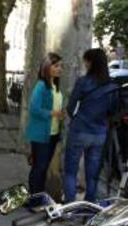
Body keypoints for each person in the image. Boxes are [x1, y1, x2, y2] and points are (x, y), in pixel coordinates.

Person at [63, 48, 118, 203]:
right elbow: (112, 111)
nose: (85, 64)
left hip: (79, 130)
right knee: (92, 174)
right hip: (99, 134)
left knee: (70, 171)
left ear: (91, 62)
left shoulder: (83, 82)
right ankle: (89, 208)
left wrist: (76, 118)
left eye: (86, 60)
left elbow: (70, 107)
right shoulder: (112, 86)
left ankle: (70, 207)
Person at [25, 52, 65, 208]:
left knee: (42, 168)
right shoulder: (41, 86)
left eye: (61, 66)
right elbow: (34, 109)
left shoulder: (56, 86)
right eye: (56, 66)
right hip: (40, 134)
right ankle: (33, 202)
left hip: (53, 134)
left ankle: (37, 198)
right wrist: (52, 113)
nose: (60, 68)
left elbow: (54, 107)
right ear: (47, 67)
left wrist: (60, 114)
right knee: (39, 168)